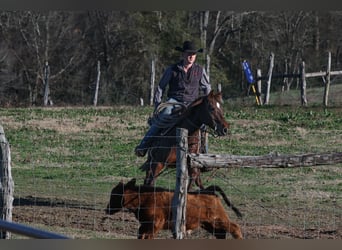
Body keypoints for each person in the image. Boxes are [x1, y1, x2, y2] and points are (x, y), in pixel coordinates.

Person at [135, 40, 212, 157]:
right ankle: (143, 146)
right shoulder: (172, 69)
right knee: (163, 116)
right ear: (183, 54)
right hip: (175, 101)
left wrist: (207, 103)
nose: (191, 56)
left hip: (192, 102)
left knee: (203, 123)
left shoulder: (200, 71)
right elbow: (161, 87)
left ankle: (204, 153)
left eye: (193, 54)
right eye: (188, 54)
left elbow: (207, 87)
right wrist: (158, 104)